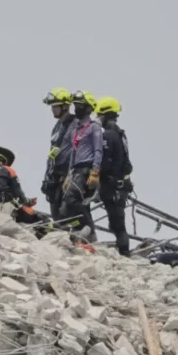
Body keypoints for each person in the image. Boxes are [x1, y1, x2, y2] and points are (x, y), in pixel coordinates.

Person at [60, 90, 103, 242]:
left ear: (88, 108)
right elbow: (73, 151)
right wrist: (68, 174)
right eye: (75, 105)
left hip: (86, 169)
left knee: (71, 199)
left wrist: (95, 171)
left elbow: (98, 150)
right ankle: (80, 231)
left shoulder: (94, 128)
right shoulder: (76, 129)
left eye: (80, 105)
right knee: (66, 206)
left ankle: (88, 229)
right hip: (76, 169)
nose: (76, 108)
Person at [95, 96, 134, 255]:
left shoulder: (108, 136)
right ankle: (122, 249)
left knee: (118, 223)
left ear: (105, 115)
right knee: (117, 222)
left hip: (113, 186)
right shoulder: (121, 134)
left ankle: (124, 253)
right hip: (121, 185)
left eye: (99, 116)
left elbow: (105, 162)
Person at [40, 88, 76, 219]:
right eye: (52, 106)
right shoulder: (57, 126)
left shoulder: (75, 124)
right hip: (54, 178)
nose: (52, 109)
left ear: (65, 106)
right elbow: (52, 154)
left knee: (70, 216)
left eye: (55, 106)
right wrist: (47, 178)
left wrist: (71, 176)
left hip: (67, 178)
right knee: (57, 218)